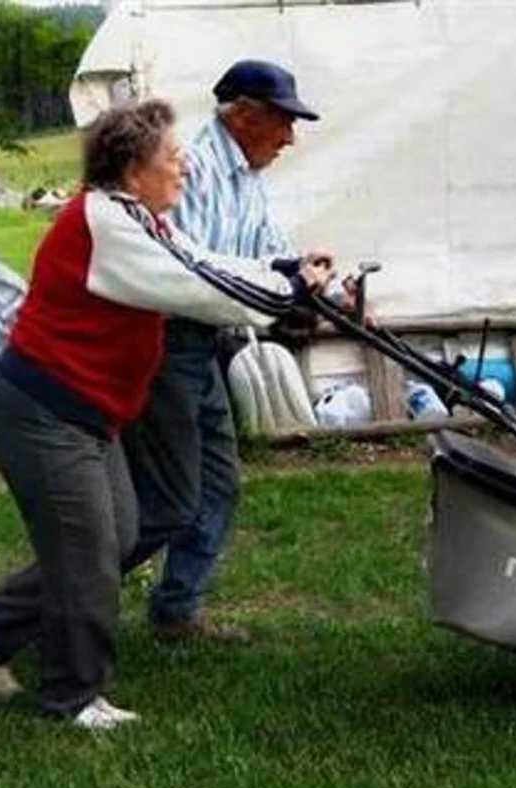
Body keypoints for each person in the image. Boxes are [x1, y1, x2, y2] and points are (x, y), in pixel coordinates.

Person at [0, 99, 332, 729]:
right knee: (89, 555)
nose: (185, 168)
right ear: (133, 167)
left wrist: (281, 271)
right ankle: (71, 699)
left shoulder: (136, 216)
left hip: (85, 416)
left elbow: (205, 261)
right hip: (43, 414)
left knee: (115, 536)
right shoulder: (104, 224)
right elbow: (199, 287)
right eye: (173, 157)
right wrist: (291, 292)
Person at [121, 60, 342, 642]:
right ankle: (47, 597)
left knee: (217, 482)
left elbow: (265, 249)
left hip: (206, 344)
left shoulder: (246, 176)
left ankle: (176, 610)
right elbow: (195, 273)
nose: (291, 138)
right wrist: (277, 292)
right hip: (166, 344)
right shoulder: (193, 172)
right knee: (167, 501)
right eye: (283, 122)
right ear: (243, 114)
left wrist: (306, 275)